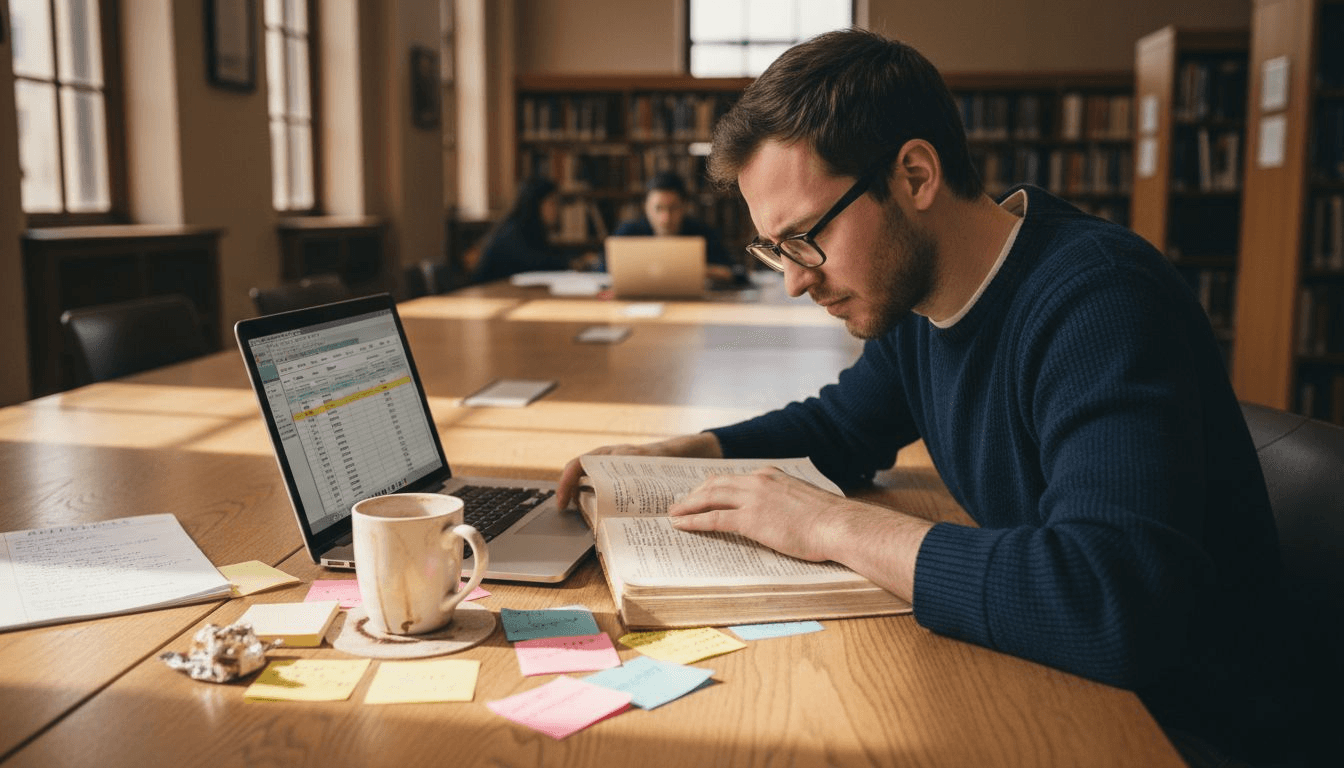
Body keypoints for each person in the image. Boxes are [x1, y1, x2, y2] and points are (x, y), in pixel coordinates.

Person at [559, 29, 1302, 766]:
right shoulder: (922, 304)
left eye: (805, 237)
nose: (793, 280)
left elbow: (1110, 604)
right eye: (773, 249)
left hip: (1176, 728)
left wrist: (832, 527)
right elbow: (838, 427)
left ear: (914, 175)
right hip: (1057, 680)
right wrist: (672, 455)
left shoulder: (1099, 302)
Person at [611, 171, 745, 284]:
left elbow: (738, 274)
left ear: (684, 207)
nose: (665, 218)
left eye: (673, 208)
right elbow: (598, 273)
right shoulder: (628, 234)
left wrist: (704, 271)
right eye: (658, 208)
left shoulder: (701, 234)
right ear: (646, 207)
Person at [471, 177, 573, 284]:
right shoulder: (511, 231)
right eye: (552, 203)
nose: (557, 209)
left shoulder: (531, 230)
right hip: (489, 296)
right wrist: (571, 263)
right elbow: (535, 263)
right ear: (535, 204)